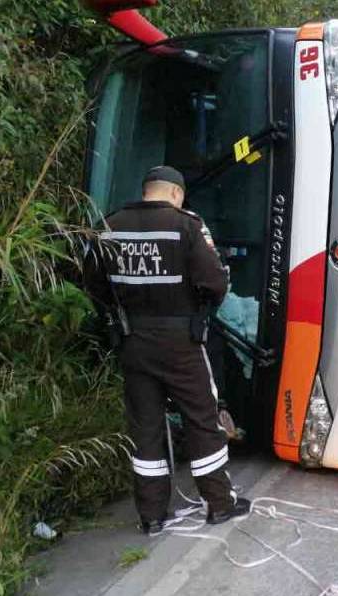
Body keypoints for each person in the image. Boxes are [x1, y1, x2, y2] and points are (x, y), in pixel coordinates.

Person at [84, 165, 250, 534]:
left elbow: (92, 283)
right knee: (201, 417)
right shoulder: (187, 225)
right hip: (181, 343)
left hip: (133, 343)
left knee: (145, 427)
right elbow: (215, 282)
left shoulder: (110, 226)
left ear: (146, 191)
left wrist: (120, 315)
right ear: (175, 194)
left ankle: (152, 515)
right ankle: (220, 503)